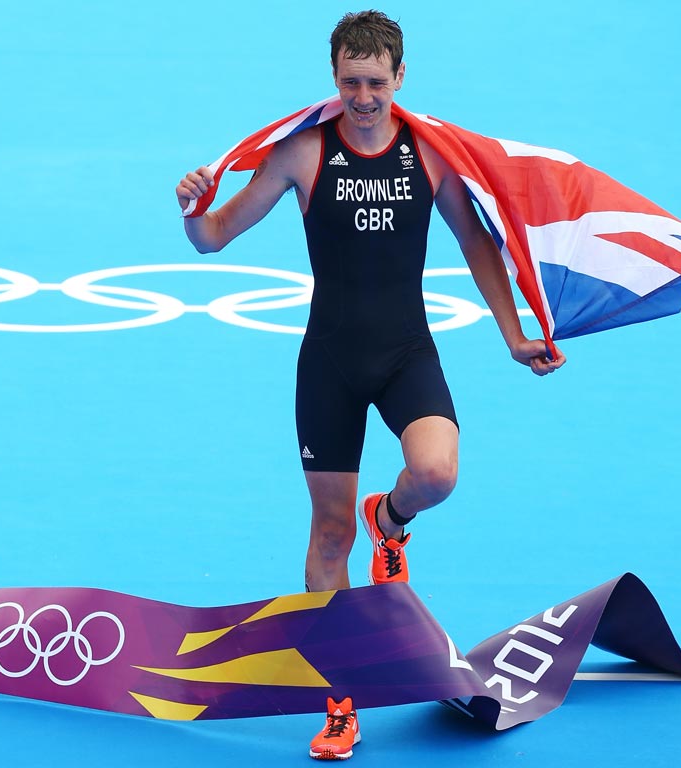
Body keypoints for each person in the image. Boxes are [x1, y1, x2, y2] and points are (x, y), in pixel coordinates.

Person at [175, 10, 565, 760]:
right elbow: (214, 236)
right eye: (349, 82)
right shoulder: (301, 153)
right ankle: (341, 703)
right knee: (327, 536)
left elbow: (475, 241)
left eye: (375, 83)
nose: (362, 96)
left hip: (405, 352)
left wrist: (513, 333)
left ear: (401, 77)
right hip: (329, 362)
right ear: (334, 77)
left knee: (437, 473)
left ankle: (389, 520)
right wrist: (194, 209)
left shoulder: (430, 154)